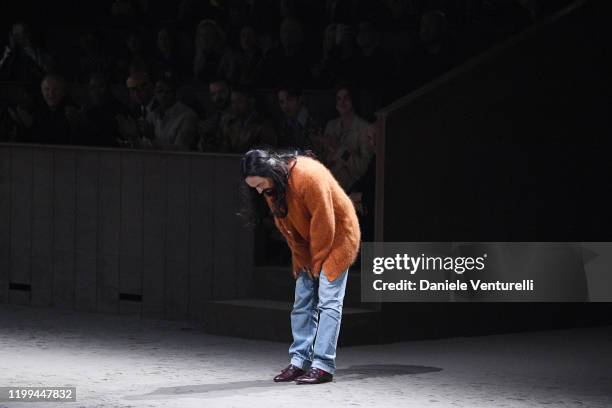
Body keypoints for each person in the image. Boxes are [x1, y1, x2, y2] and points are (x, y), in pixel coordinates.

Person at [240, 149, 361, 384]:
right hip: (310, 241)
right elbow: (287, 228)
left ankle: (323, 365)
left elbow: (324, 223)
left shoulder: (308, 175)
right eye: (253, 187)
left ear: (269, 171)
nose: (258, 190)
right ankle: (299, 362)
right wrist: (303, 259)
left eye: (259, 184)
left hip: (338, 237)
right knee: (302, 301)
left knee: (328, 301)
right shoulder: (272, 185)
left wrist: (317, 264)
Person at [323, 84, 373, 191]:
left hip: (352, 188)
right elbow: (325, 159)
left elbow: (363, 168)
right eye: (339, 99)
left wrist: (339, 149)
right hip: (328, 183)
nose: (342, 102)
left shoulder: (364, 128)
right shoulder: (331, 125)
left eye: (346, 98)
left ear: (353, 100)